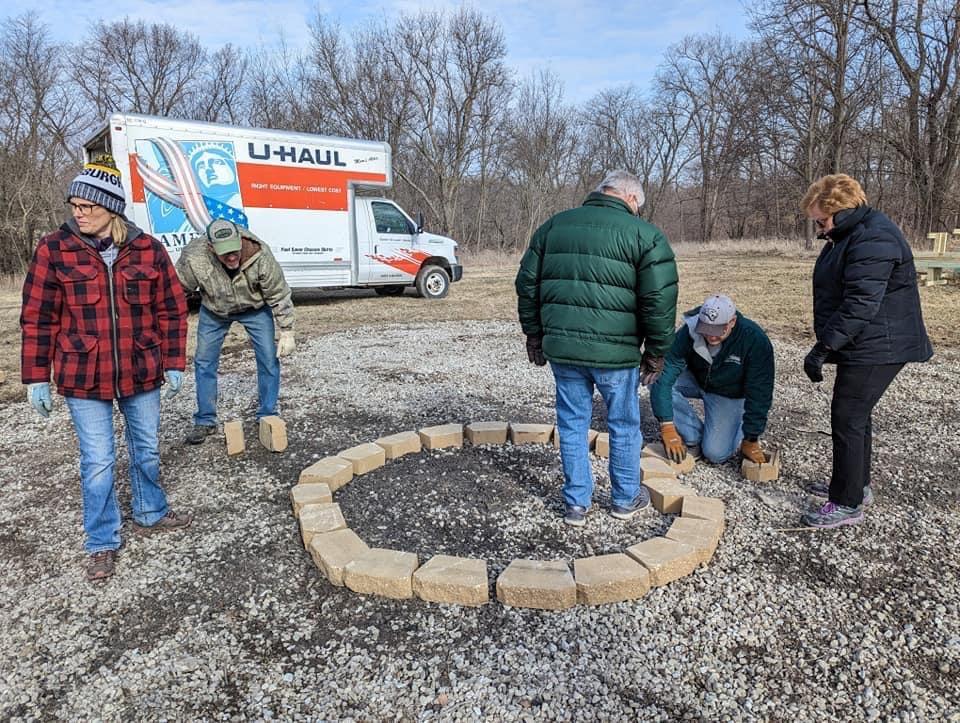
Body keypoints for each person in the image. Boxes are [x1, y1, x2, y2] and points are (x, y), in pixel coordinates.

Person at [20, 155, 191, 583]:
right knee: (97, 460)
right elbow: (38, 317)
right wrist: (36, 376)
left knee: (146, 448)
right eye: (74, 205)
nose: (78, 213)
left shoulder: (149, 249)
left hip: (141, 367)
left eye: (87, 206)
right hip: (82, 374)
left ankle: (151, 511)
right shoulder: (54, 249)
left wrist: (174, 362)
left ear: (111, 208)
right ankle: (101, 540)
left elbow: (172, 311)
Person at [516, 169, 679, 527]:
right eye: (638, 205)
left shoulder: (554, 226)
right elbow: (658, 300)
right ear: (631, 198)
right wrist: (656, 351)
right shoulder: (646, 235)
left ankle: (576, 503)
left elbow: (527, 283)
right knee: (623, 425)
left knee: (572, 423)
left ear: (603, 191)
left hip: (564, 350)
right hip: (615, 355)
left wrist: (534, 334)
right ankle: (624, 498)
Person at [800, 174, 932, 528]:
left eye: (822, 222)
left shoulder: (873, 237)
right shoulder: (852, 233)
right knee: (856, 415)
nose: (820, 230)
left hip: (881, 344)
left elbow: (860, 303)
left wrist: (824, 346)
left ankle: (847, 503)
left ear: (841, 212)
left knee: (847, 416)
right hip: (866, 340)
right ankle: (856, 486)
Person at [176, 218, 296, 444]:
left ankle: (267, 413)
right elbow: (177, 290)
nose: (232, 257)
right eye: (225, 253)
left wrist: (287, 329)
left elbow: (278, 293)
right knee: (204, 361)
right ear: (211, 248)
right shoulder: (195, 257)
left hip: (255, 308)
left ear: (240, 240)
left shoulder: (259, 254)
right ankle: (205, 420)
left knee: (269, 358)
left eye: (234, 250)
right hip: (215, 310)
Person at [650, 294, 774, 466]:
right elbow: (666, 371)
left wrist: (751, 437)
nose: (711, 336)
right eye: (706, 329)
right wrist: (667, 425)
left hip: (729, 393)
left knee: (715, 454)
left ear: (732, 322)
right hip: (697, 380)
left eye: (718, 330)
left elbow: (760, 392)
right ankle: (693, 435)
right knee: (653, 377)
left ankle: (737, 422)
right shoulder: (691, 330)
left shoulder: (753, 339)